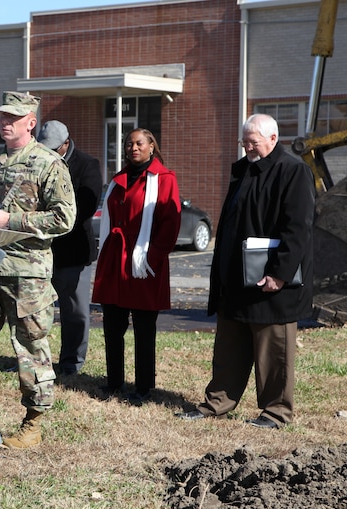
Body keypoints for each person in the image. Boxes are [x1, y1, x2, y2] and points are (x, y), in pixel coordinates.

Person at [178, 113, 314, 428]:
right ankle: (217, 402)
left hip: (271, 280)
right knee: (229, 347)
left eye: (253, 142)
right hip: (237, 280)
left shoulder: (294, 172)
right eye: (244, 141)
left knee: (273, 349)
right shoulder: (244, 170)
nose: (248, 147)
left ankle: (275, 411)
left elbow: (299, 229)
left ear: (273, 139)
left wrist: (279, 272)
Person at [0, 91, 76, 448]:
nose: (5, 123)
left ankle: (33, 423)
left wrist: (12, 219)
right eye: (1, 117)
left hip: (27, 274)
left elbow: (65, 217)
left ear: (31, 122)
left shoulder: (48, 164)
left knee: (30, 346)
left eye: (13, 117)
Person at [91, 128, 181, 403]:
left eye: (139, 143)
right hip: (115, 262)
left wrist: (151, 257)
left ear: (152, 146)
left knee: (144, 329)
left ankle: (143, 387)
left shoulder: (164, 179)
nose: (133, 148)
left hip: (145, 265)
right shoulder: (118, 179)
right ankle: (114, 382)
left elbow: (170, 223)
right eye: (128, 144)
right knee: (113, 326)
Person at [37, 120, 103, 375]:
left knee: (74, 311)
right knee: (36, 309)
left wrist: (50, 219)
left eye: (54, 149)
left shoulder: (87, 165)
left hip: (73, 250)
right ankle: (35, 361)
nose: (49, 154)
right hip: (41, 249)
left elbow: (86, 206)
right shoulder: (38, 161)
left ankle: (71, 363)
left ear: (66, 143)